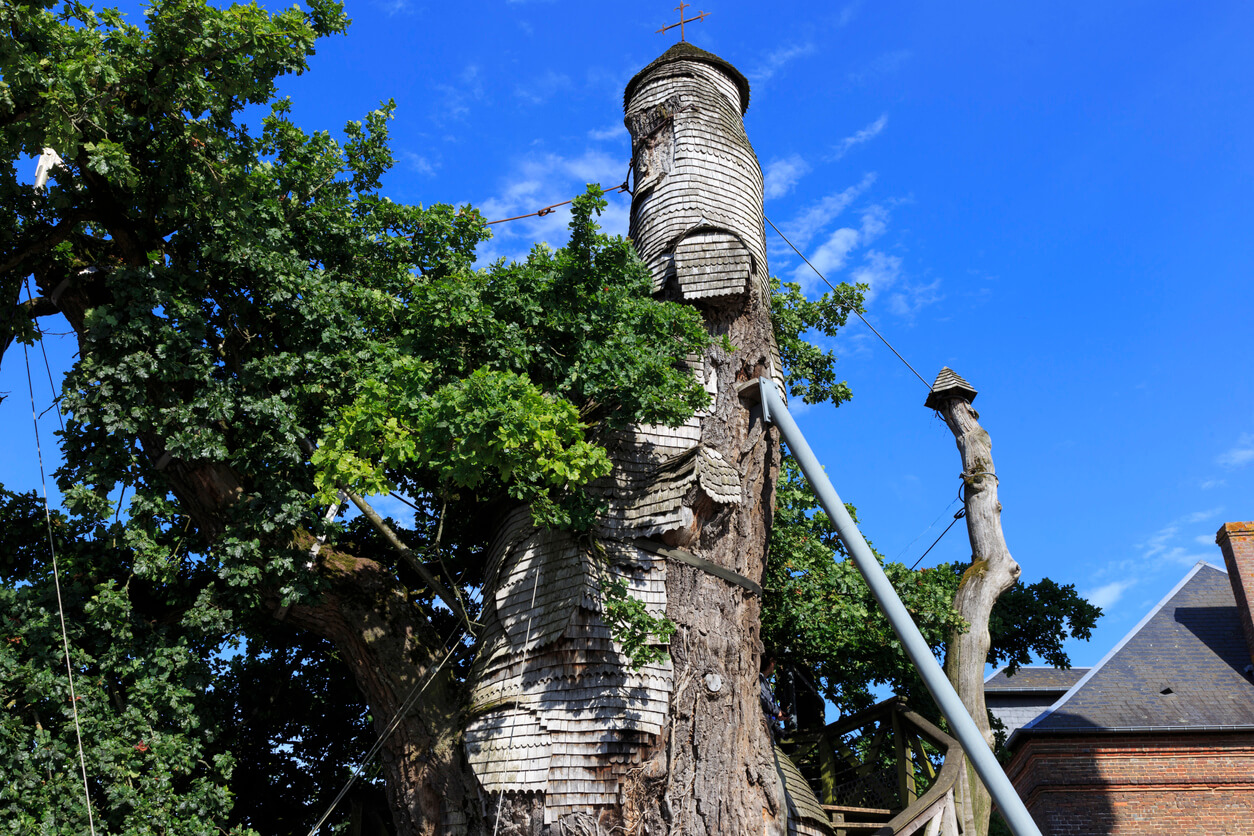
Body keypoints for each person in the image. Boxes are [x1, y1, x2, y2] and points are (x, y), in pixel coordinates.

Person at [759, 656, 785, 738]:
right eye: (774, 663)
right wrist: (777, 711)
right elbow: (762, 700)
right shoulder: (759, 679)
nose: (775, 665)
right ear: (770, 663)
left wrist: (778, 713)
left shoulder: (764, 681)